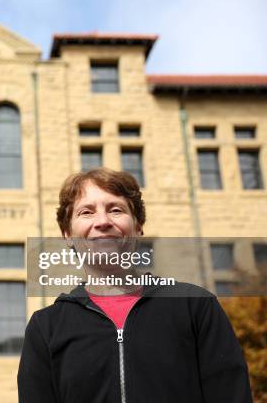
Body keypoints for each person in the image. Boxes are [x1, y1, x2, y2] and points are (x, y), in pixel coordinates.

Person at [17, 168, 252, 403]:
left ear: (138, 227)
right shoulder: (46, 327)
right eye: (86, 212)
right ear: (67, 234)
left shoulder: (195, 306)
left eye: (116, 210)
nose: (102, 222)